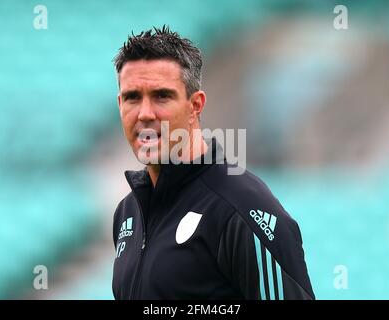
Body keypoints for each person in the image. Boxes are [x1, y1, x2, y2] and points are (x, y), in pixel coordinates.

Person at [111, 25, 314, 300]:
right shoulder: (128, 213)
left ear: (195, 105)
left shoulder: (241, 206)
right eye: (133, 98)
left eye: (162, 96)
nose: (145, 113)